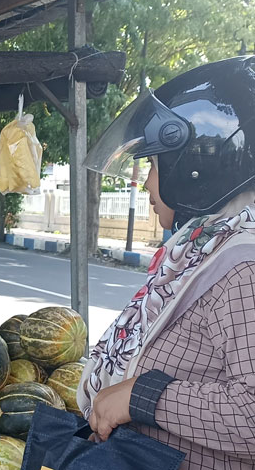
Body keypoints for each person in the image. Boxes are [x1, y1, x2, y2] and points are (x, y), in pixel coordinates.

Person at [79, 56, 255, 469]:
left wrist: (141, 396)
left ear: (195, 165)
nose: (144, 183)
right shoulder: (204, 251)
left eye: (154, 165)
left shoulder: (244, 270)